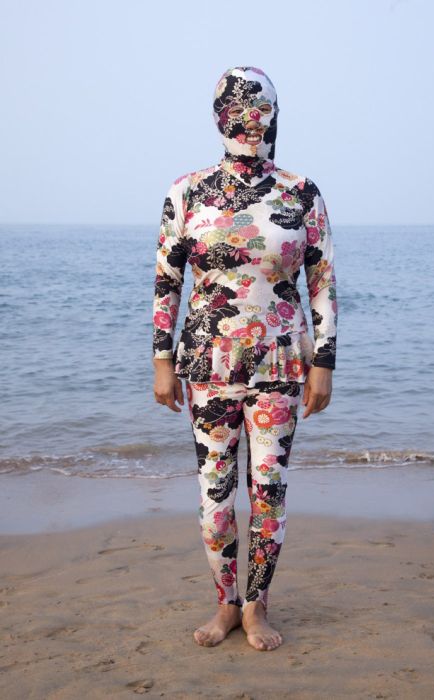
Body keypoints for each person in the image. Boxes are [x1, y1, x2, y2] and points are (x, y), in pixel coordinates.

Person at [152, 66, 338, 651]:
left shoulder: (300, 192)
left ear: (275, 115)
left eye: (260, 108)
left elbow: (322, 285)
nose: (248, 119)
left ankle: (257, 607)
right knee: (214, 499)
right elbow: (167, 282)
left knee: (268, 491)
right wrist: (161, 360)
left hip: (280, 365)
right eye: (236, 109)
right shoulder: (187, 192)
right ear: (218, 117)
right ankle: (225, 604)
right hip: (206, 366)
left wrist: (324, 361)